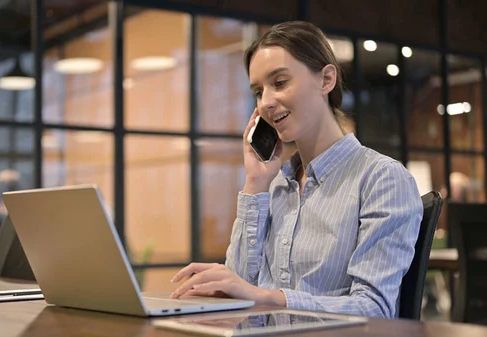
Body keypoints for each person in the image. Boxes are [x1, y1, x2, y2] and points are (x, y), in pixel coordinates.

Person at [170, 21, 423, 318]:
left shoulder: (382, 179)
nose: (266, 102)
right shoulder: (275, 183)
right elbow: (240, 289)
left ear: (326, 80)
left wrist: (271, 297)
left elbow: (374, 308)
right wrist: (255, 183)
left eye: (279, 83)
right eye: (257, 91)